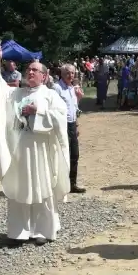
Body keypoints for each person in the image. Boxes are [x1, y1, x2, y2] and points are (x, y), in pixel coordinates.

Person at [0, 45, 71, 246]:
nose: (30, 72)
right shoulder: (16, 94)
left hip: (41, 150)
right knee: (20, 188)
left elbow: (60, 119)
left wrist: (38, 112)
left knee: (42, 188)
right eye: (28, 69)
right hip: (19, 150)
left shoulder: (50, 95)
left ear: (45, 76)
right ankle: (19, 232)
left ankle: (42, 230)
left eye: (35, 70)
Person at [54, 64, 86, 194]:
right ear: (62, 73)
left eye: (72, 73)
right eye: (67, 72)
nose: (70, 75)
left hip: (72, 124)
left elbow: (73, 108)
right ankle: (60, 184)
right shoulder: (57, 88)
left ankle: (72, 183)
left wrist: (76, 124)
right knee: (62, 155)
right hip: (62, 124)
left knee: (74, 154)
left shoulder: (72, 88)